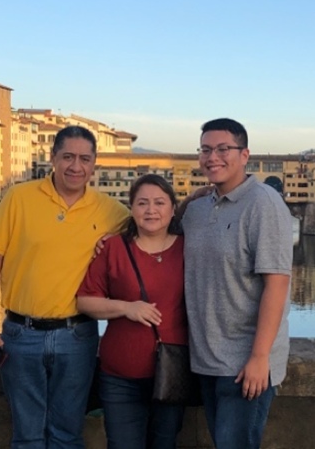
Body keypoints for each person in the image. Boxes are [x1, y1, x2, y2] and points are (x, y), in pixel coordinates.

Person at [0, 126, 130, 449]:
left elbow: (158, 224)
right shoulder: (19, 197)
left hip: (77, 337)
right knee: (27, 436)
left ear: (94, 165)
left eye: (85, 159)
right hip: (20, 335)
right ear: (53, 158)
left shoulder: (112, 212)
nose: (76, 166)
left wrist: (115, 240)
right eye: (68, 156)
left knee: (68, 436)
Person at [180, 118, 293, 449]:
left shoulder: (264, 204)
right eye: (205, 150)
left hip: (245, 363)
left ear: (244, 154)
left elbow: (277, 284)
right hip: (205, 358)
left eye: (222, 149)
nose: (212, 157)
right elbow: (159, 236)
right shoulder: (199, 209)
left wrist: (260, 358)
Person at [76, 174, 188, 449]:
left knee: (164, 444)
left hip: (172, 372)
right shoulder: (113, 248)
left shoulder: (189, 249)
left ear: (173, 209)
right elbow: (85, 302)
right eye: (143, 203)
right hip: (119, 375)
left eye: (160, 202)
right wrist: (127, 308)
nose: (151, 210)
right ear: (132, 208)